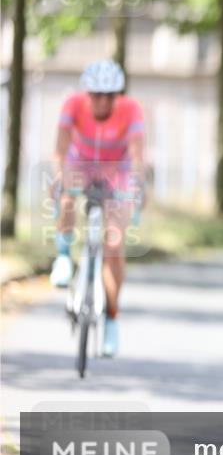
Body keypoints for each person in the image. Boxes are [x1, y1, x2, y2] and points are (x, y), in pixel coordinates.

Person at [49, 60, 144, 357]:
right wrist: (59, 178)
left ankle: (112, 317)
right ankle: (63, 256)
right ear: (87, 94)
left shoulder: (131, 110)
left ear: (118, 95)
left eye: (110, 95)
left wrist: (136, 187)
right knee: (65, 197)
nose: (103, 101)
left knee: (114, 243)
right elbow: (59, 151)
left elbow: (138, 156)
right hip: (81, 164)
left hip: (117, 171)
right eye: (97, 95)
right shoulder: (73, 104)